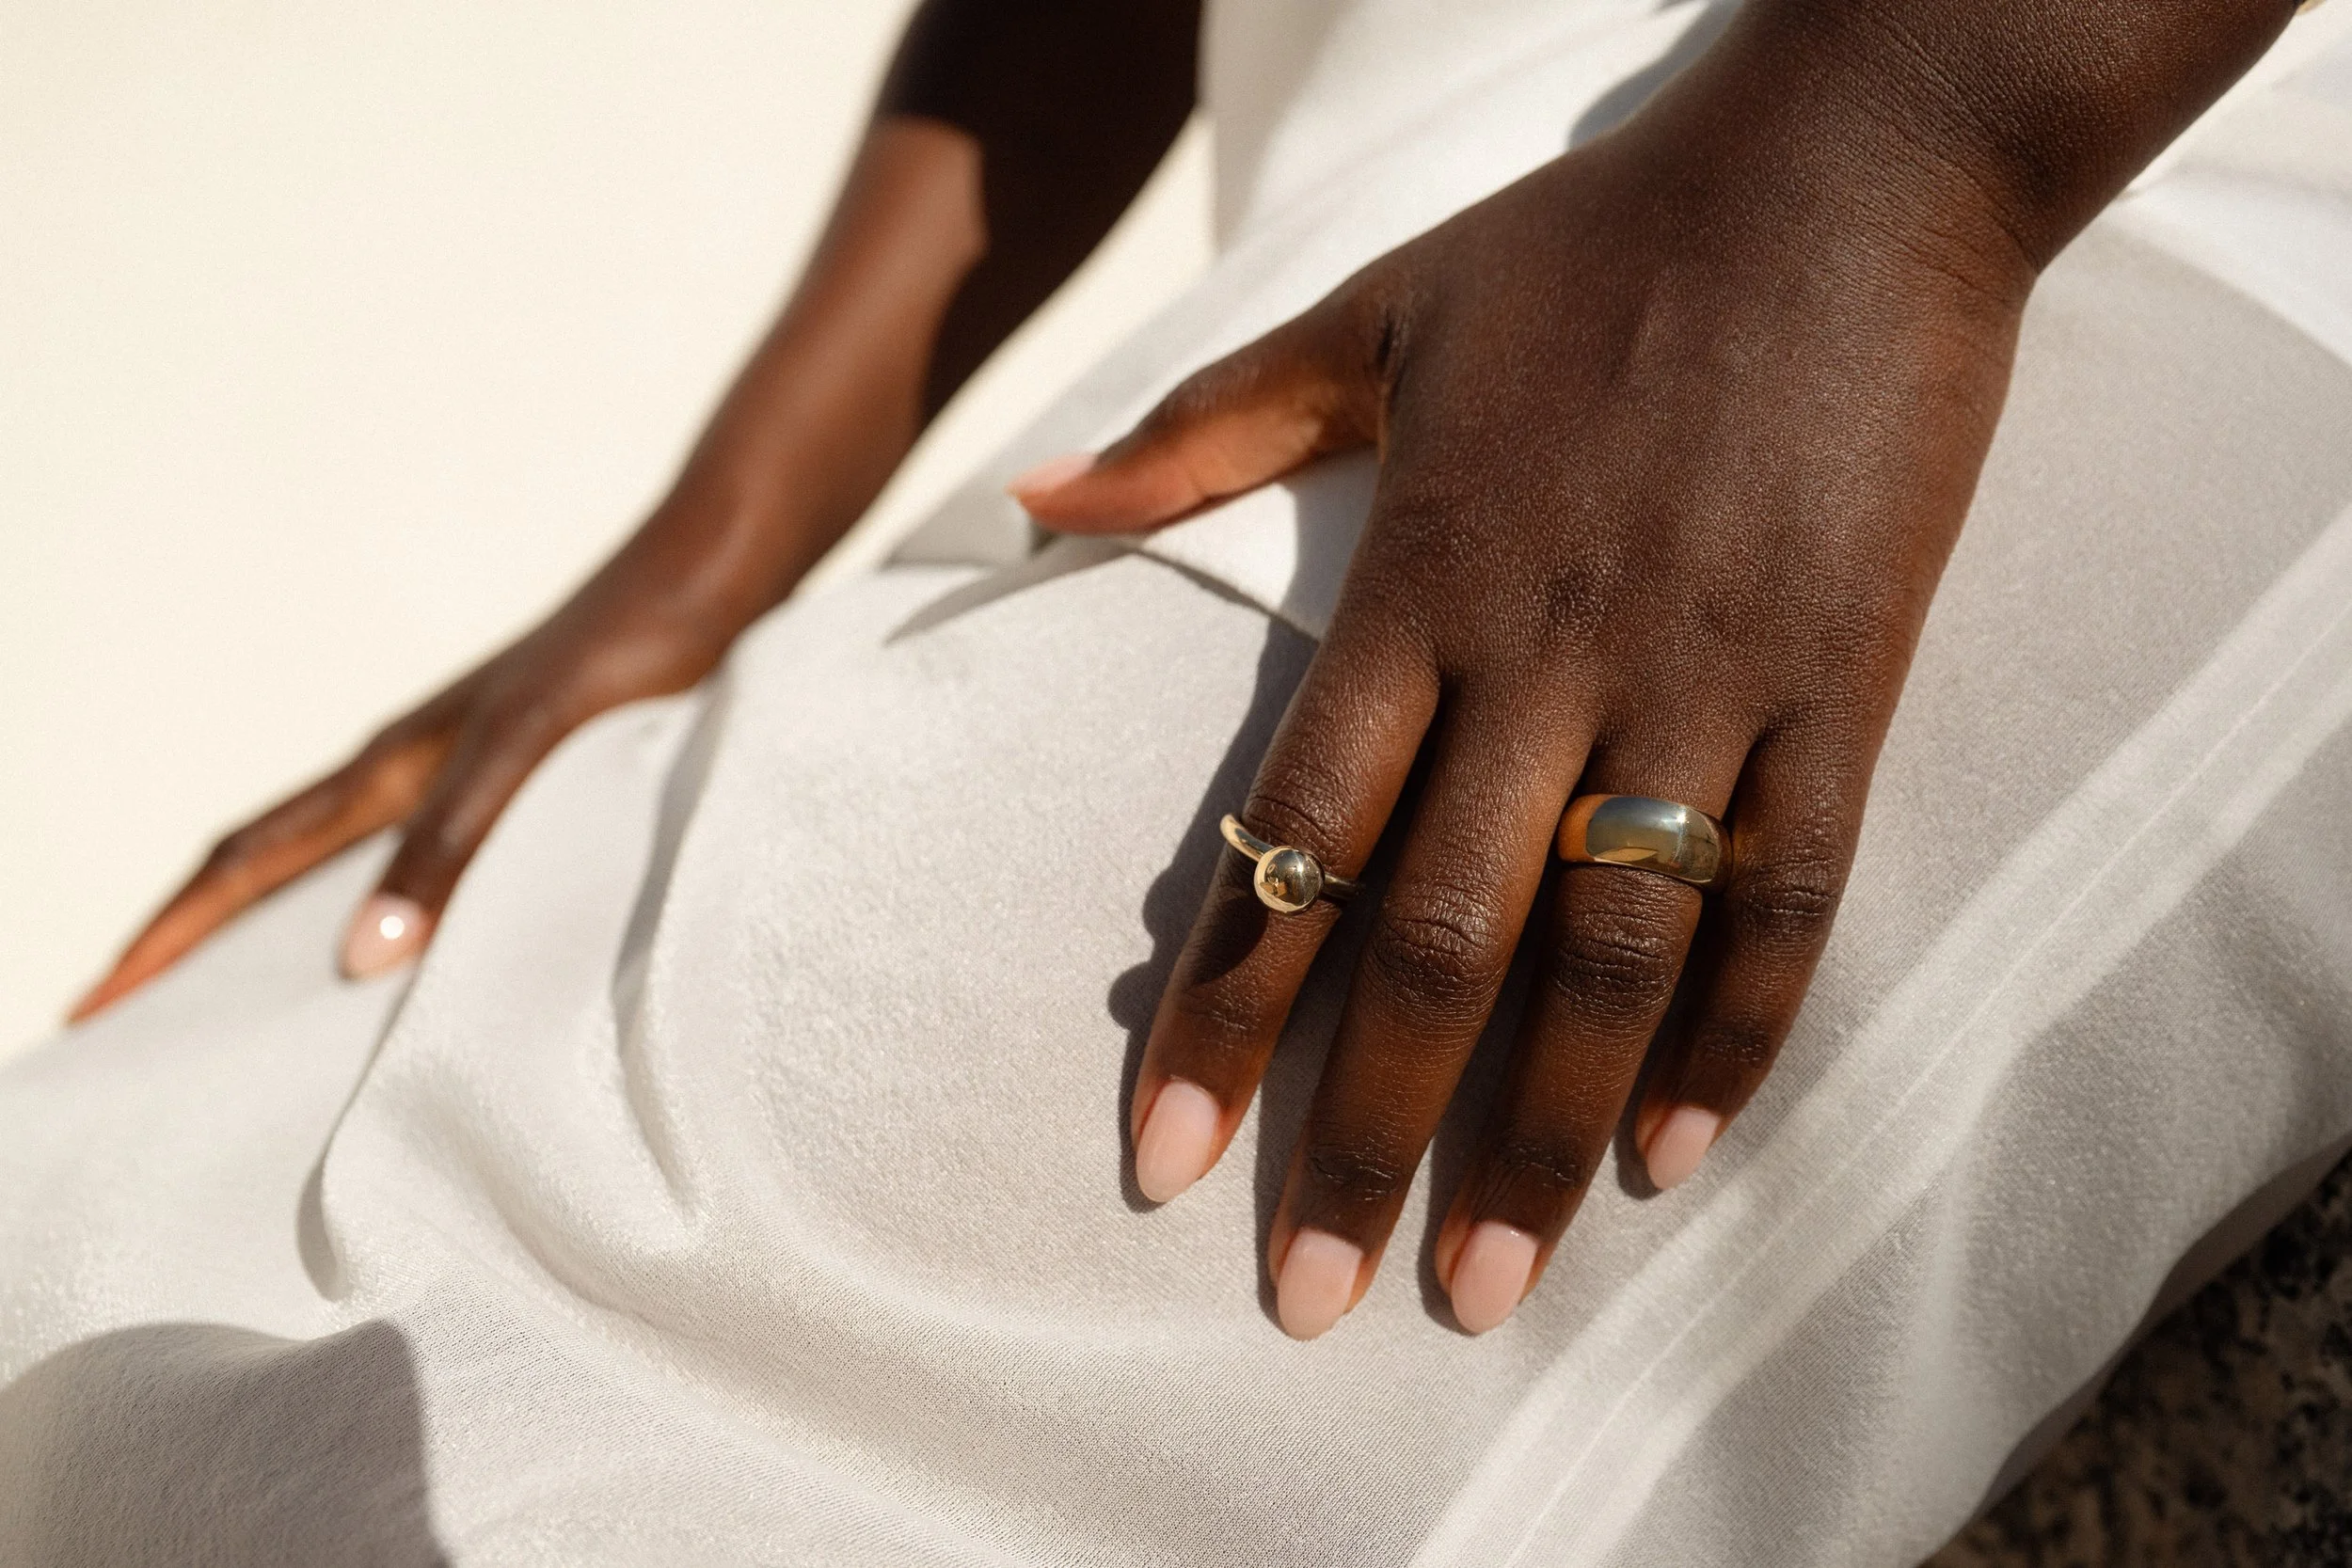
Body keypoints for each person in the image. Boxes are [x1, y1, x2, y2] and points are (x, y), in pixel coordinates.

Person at [8, 0, 2352, 1560]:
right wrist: (727, 522)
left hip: (2072, 218)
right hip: (1448, 219)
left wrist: (1892, 153)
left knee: (553, 1425)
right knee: (118, 1213)